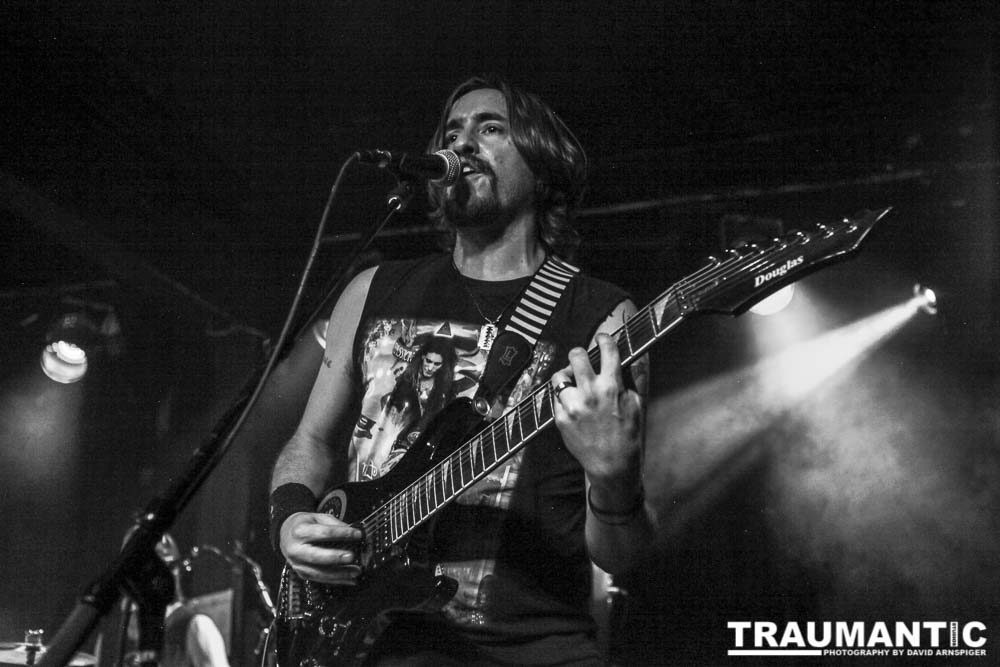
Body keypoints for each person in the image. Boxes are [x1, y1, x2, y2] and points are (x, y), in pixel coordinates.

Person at [269, 74, 653, 665]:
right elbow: (311, 441)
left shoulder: (602, 317)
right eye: (452, 133)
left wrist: (613, 478)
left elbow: (623, 556)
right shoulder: (371, 289)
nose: (464, 143)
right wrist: (290, 519)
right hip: (369, 643)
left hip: (530, 651)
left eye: (491, 128)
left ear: (543, 165)